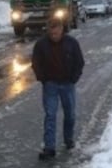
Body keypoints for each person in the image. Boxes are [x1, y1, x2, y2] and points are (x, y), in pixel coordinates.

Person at [31, 15, 85, 160]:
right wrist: (43, 78)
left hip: (67, 84)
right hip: (50, 85)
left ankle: (68, 139)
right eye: (51, 33)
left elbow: (79, 62)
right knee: (50, 115)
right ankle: (49, 147)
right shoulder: (41, 45)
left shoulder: (71, 43)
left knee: (70, 115)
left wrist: (74, 78)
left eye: (56, 33)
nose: (54, 36)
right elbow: (36, 62)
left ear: (62, 29)